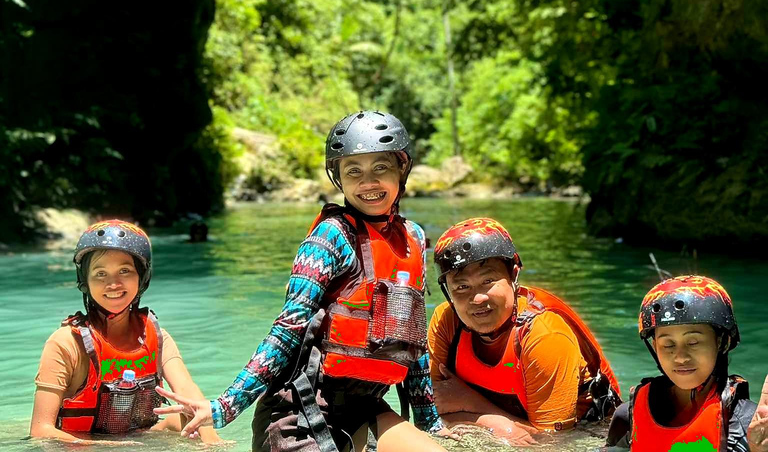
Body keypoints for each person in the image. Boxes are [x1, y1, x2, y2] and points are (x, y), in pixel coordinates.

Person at [155, 111, 453, 452]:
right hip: (300, 411)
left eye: (380, 168)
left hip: (366, 407)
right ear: (338, 178)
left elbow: (410, 339)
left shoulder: (413, 237)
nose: (368, 183)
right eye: (353, 171)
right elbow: (288, 329)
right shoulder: (330, 238)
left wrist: (430, 420)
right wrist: (225, 407)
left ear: (402, 169)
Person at [428, 217, 621, 445]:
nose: (477, 298)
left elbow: (550, 445)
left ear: (514, 275)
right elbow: (433, 409)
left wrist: (471, 404)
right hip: (516, 430)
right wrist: (493, 422)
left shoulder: (545, 336)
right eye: (462, 287)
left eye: (488, 280)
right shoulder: (446, 323)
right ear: (447, 291)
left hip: (585, 436)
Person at [30, 220, 221, 445]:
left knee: (189, 421)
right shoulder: (67, 343)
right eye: (100, 273)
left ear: (142, 277)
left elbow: (190, 395)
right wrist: (109, 448)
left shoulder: (159, 339)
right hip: (81, 445)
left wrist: (213, 444)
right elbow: (40, 431)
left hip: (140, 437)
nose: (113, 283)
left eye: (125, 271)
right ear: (85, 281)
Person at [606, 275, 758, 451]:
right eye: (668, 345)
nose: (680, 357)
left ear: (722, 342)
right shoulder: (628, 416)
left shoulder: (748, 425)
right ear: (655, 346)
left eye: (693, 342)